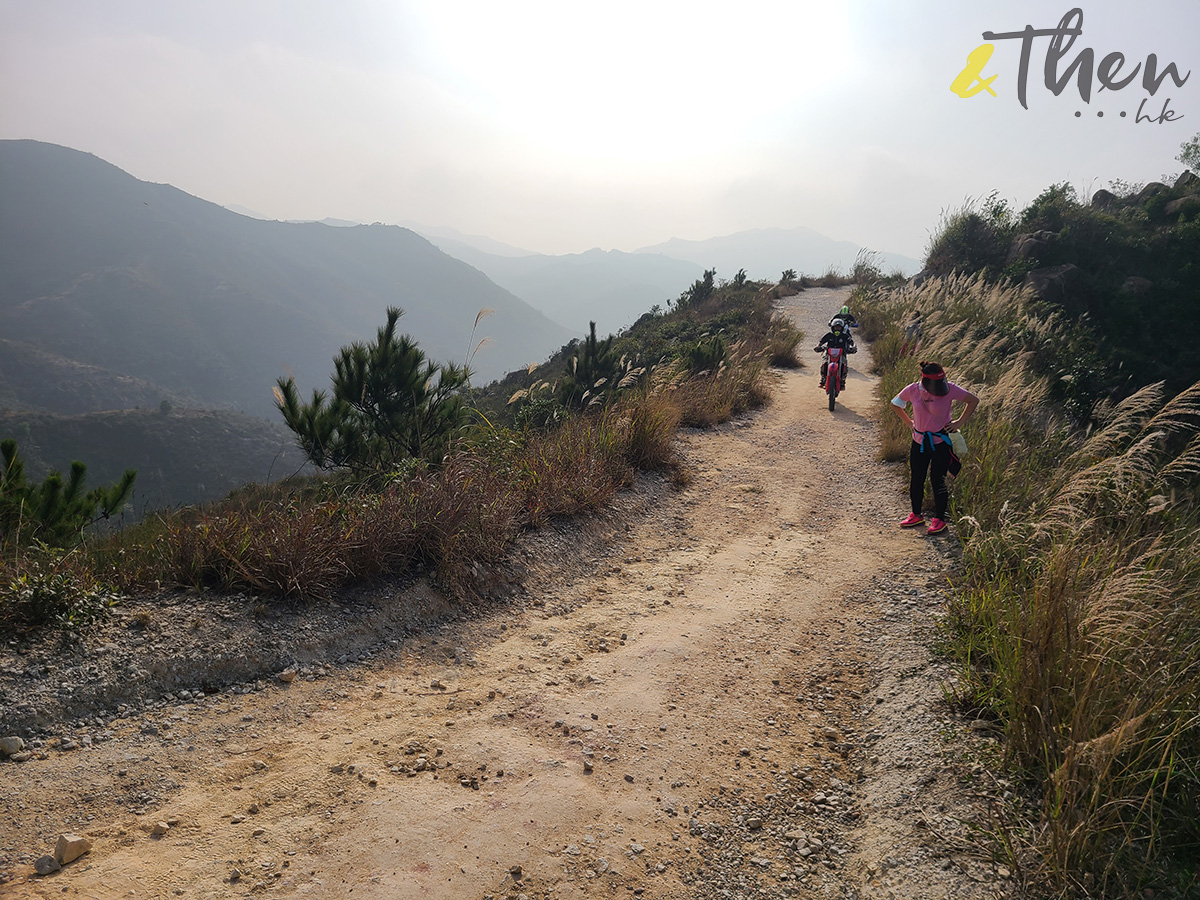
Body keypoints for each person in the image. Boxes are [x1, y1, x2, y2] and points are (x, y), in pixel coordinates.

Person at [890, 361, 979, 535]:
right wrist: (909, 423)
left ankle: (939, 519)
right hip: (919, 442)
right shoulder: (913, 390)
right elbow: (895, 403)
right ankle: (916, 514)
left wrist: (959, 422)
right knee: (917, 478)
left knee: (938, 479)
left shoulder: (950, 388)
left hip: (941, 443)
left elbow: (973, 400)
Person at [813, 318, 857, 389]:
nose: (837, 329)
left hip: (841, 355)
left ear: (842, 328)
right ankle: (823, 379)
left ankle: (842, 381)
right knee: (824, 364)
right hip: (829, 354)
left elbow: (851, 342)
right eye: (836, 327)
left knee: (844, 366)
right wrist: (818, 346)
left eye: (839, 327)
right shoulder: (829, 335)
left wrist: (853, 347)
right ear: (833, 328)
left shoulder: (845, 336)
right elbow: (821, 342)